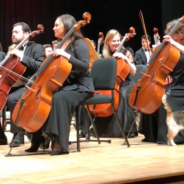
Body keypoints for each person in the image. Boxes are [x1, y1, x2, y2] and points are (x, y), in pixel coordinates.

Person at [24, 14, 94, 155]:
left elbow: (84, 67)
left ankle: (60, 144)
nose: (53, 28)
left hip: (82, 86)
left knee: (59, 98)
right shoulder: (62, 45)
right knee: (48, 98)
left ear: (67, 26)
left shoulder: (79, 43)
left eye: (57, 25)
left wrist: (66, 55)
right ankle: (40, 136)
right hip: (66, 85)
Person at [81, 29, 138, 138]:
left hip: (124, 83)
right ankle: (93, 128)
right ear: (107, 42)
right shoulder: (104, 56)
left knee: (123, 95)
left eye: (118, 40)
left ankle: (125, 129)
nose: (116, 43)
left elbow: (133, 71)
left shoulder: (126, 52)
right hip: (109, 86)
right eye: (113, 41)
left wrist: (125, 58)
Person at [139, 19, 184, 144]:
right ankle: (151, 134)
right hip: (172, 84)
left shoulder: (178, 47)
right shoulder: (170, 50)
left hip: (182, 86)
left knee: (167, 99)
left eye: (182, 40)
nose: (178, 43)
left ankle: (171, 137)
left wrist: (175, 44)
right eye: (175, 40)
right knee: (153, 96)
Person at [7, 22, 45, 147]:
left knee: (12, 98)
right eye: (12, 32)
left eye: (16, 32)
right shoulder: (13, 50)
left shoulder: (37, 48)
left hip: (31, 85)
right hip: (15, 84)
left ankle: (18, 133)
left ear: (27, 34)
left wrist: (22, 56)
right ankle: (1, 136)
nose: (13, 34)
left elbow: (40, 66)